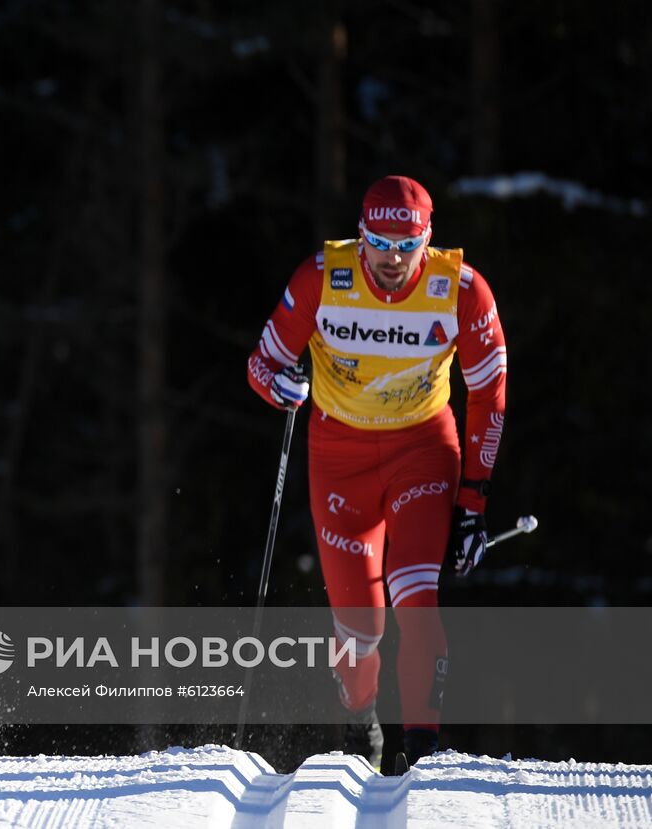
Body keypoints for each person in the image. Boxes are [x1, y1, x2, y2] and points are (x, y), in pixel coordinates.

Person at [245, 176, 507, 771]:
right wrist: (277, 385)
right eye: (378, 242)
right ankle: (360, 719)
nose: (391, 259)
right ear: (360, 236)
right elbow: (263, 362)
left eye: (406, 245)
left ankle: (421, 752)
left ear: (428, 240)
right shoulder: (321, 276)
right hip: (339, 457)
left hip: (422, 447)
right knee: (360, 629)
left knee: (416, 598)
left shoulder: (461, 290)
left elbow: (489, 394)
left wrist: (474, 502)